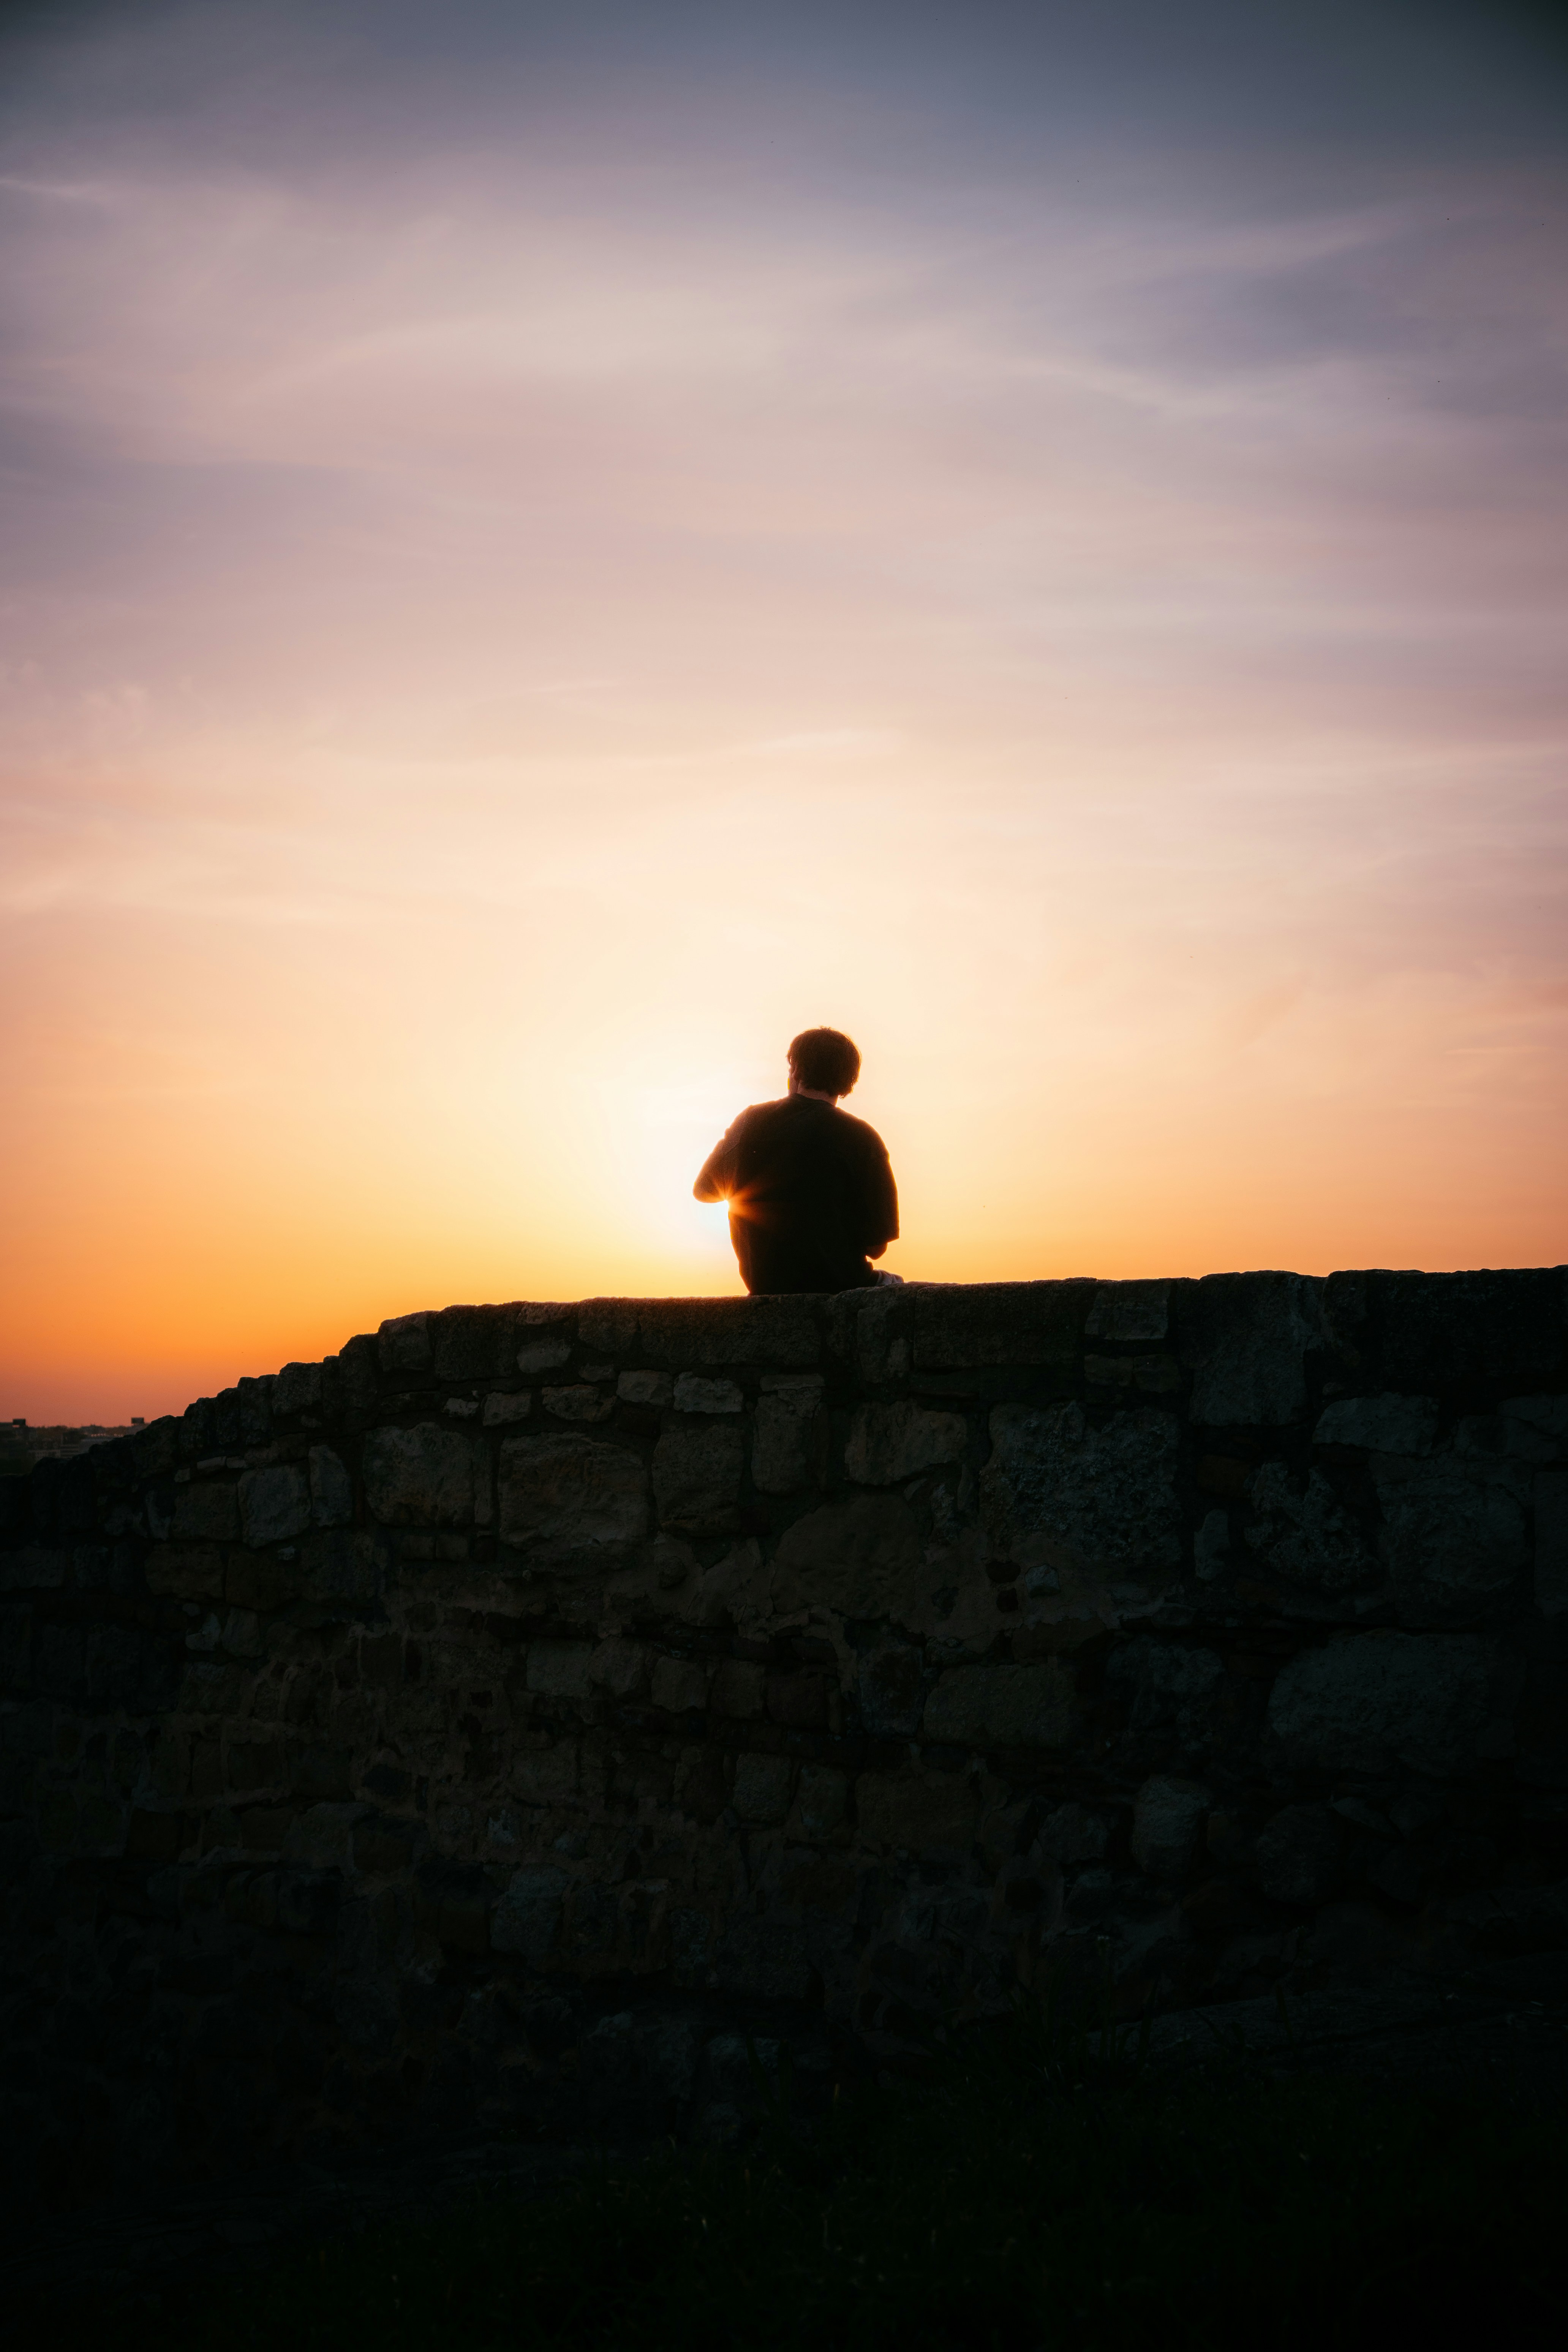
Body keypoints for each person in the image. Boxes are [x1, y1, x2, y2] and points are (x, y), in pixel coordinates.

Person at [693, 1027, 899, 1294]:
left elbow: (704, 1192)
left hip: (765, 1287)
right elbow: (876, 1248)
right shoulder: (861, 1137)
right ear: (849, 1081)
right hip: (840, 1287)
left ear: (796, 1069)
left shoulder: (749, 1121)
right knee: (898, 1291)